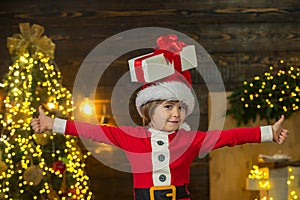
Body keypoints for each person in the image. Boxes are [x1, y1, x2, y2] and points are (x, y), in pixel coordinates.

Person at [31, 35, 288, 200]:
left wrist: (268, 132)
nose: (176, 113)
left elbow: (229, 137)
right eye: (168, 106)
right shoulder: (130, 137)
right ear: (148, 109)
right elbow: (92, 131)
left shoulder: (191, 140)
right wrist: (52, 124)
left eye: (180, 107)